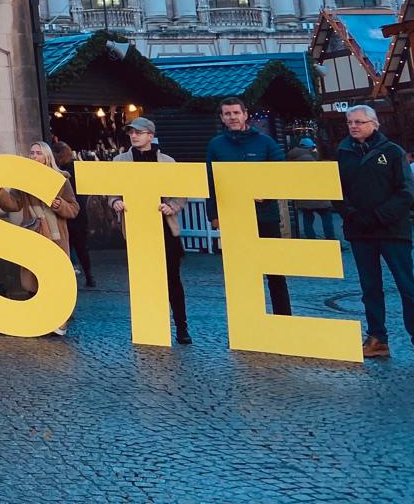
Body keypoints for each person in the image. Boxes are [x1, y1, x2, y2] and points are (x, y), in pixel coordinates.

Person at [335, 105, 414, 361]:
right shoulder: (343, 153)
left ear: (374, 124)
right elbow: (337, 191)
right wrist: (351, 214)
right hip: (360, 231)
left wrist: (378, 216)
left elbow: (405, 192)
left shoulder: (393, 152)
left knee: (406, 285)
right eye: (350, 122)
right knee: (370, 287)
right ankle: (377, 338)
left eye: (359, 122)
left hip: (392, 230)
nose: (354, 126)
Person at [109, 117, 192, 345]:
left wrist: (172, 206)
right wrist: (115, 201)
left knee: (173, 279)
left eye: (139, 132)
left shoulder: (166, 162)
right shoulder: (120, 161)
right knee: (142, 279)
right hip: (137, 228)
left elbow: (180, 192)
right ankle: (149, 327)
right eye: (131, 132)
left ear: (150, 135)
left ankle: (182, 327)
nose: (134, 136)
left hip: (165, 228)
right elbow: (111, 189)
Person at [204, 98, 291, 316]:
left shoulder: (266, 142)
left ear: (245, 115)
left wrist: (267, 194)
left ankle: (283, 318)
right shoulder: (216, 145)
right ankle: (247, 319)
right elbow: (210, 181)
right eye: (227, 114)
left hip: (265, 216)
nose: (232, 117)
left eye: (235, 112)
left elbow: (281, 175)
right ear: (222, 118)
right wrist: (213, 214)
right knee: (240, 271)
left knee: (275, 272)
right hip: (233, 216)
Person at [0, 141, 80, 335]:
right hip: (34, 234)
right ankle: (41, 320)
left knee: (57, 279)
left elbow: (74, 209)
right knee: (33, 278)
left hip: (56, 237)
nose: (34, 156)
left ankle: (60, 319)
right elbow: (13, 205)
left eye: (38, 153)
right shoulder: (23, 180)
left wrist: (59, 204)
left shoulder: (61, 180)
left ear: (47, 157)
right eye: (31, 153)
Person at [52, 139, 95, 288]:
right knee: (81, 246)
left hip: (66, 212)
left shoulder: (61, 172)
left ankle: (69, 279)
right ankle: (89, 276)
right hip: (79, 211)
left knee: (67, 247)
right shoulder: (77, 168)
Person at [288, 137, 340, 243]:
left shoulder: (292, 158)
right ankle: (331, 240)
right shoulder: (308, 158)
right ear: (311, 147)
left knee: (307, 219)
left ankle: (311, 241)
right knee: (327, 218)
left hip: (302, 195)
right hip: (316, 195)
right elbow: (317, 176)